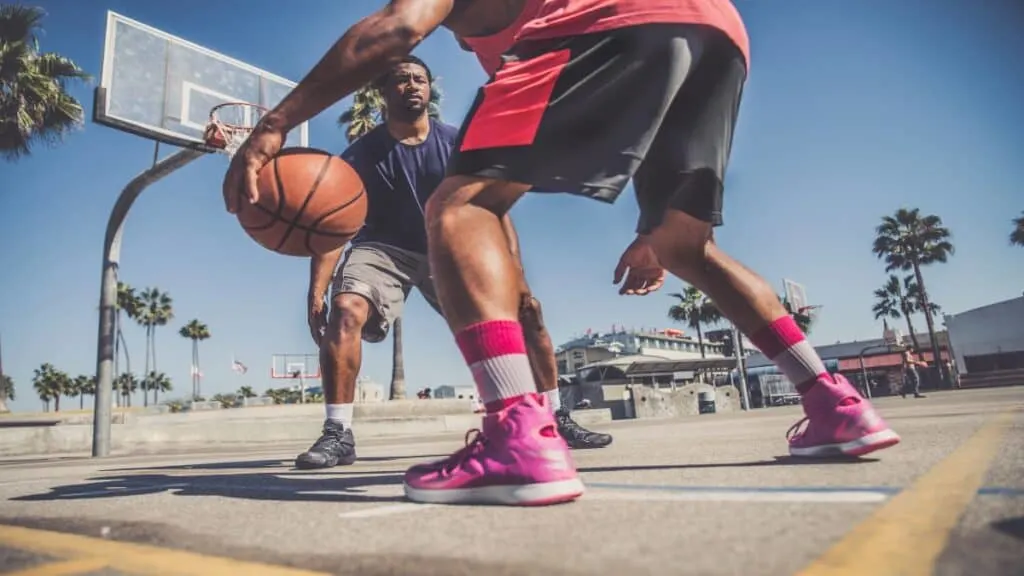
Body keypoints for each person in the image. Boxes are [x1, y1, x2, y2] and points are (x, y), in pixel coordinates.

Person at [223, 0, 901, 506]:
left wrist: (273, 125)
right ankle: (833, 402)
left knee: (460, 205)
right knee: (686, 245)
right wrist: (652, 224)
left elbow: (399, 27)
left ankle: (518, 434)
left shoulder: (520, 27)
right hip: (715, 30)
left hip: (607, 26)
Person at [295, 55, 611, 470]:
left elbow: (494, 209)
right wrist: (318, 289)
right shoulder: (359, 156)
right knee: (345, 309)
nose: (412, 86)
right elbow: (332, 225)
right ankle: (338, 432)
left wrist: (513, 268)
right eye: (403, 80)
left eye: (420, 80)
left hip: (452, 242)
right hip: (384, 248)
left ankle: (554, 416)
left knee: (527, 313)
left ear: (429, 90)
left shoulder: (457, 144)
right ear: (384, 92)